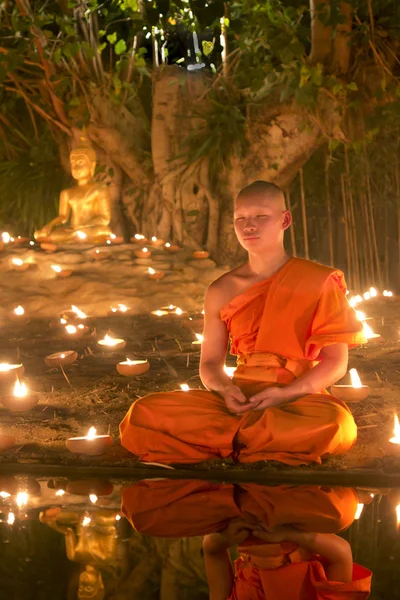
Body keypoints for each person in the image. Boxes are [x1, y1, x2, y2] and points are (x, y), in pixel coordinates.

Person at [120, 180, 366, 466]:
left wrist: (286, 393)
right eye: (241, 219)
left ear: (285, 219)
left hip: (297, 399)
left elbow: (335, 362)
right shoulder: (221, 290)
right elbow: (210, 364)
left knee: (335, 425)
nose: (249, 226)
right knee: (143, 413)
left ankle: (224, 442)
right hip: (239, 398)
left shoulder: (317, 281)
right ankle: (253, 442)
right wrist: (226, 391)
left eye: (261, 216)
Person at [120, 479, 372, 600]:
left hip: (235, 510)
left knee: (141, 514)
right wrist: (288, 534)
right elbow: (341, 552)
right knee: (341, 512)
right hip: (296, 513)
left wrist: (227, 536)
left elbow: (212, 551)